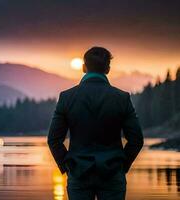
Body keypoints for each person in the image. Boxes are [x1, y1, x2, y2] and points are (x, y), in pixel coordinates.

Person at [47, 47, 144, 200]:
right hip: (113, 174)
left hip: (78, 173)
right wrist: (122, 166)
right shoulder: (121, 98)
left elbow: (53, 140)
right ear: (108, 69)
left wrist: (67, 166)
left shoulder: (67, 97)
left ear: (84, 67)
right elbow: (136, 140)